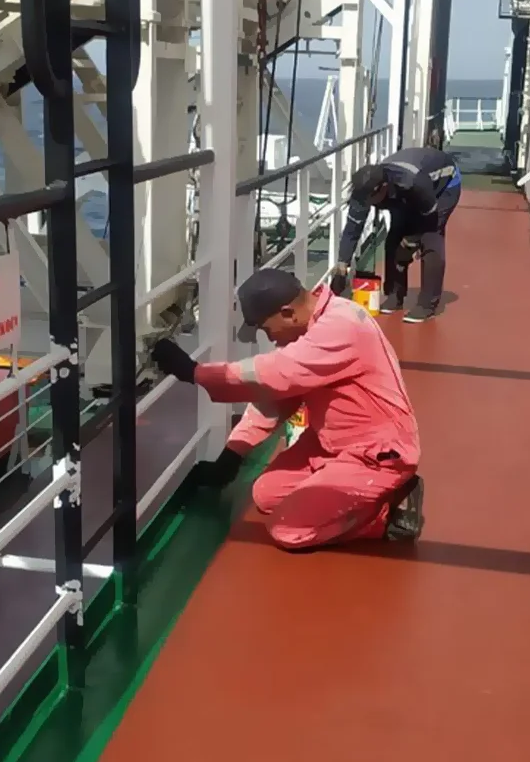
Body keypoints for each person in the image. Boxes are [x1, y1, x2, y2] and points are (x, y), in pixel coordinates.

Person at [150, 268, 424, 551]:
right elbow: (277, 395)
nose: (270, 338)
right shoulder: (315, 328)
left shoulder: (341, 327)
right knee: (266, 494)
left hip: (377, 453)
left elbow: (275, 373)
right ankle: (348, 489)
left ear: (288, 313)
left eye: (266, 328)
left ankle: (388, 513)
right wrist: (233, 454)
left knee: (289, 530)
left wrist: (194, 372)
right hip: (331, 444)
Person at [329, 146, 462, 323]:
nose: (369, 205)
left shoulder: (413, 182)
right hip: (403, 195)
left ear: (383, 188)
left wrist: (410, 243)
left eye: (371, 201)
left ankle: (427, 305)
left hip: (444, 187)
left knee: (430, 240)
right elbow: (353, 229)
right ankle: (394, 295)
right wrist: (341, 267)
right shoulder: (362, 192)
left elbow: (428, 218)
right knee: (394, 238)